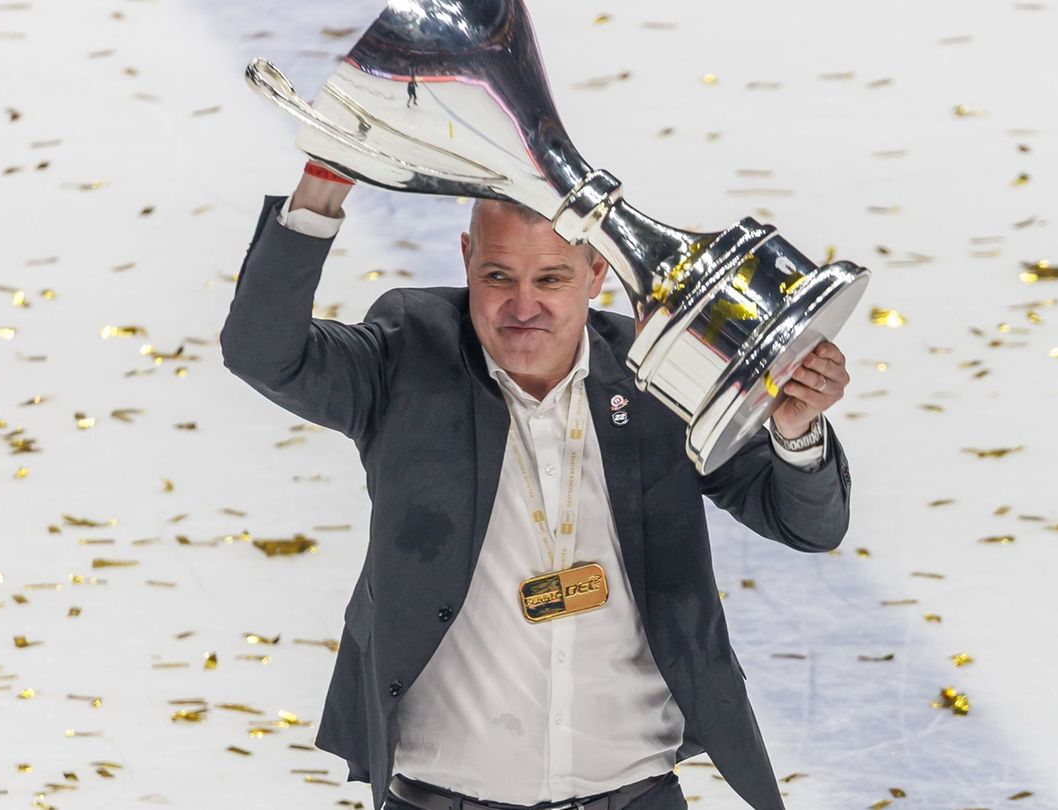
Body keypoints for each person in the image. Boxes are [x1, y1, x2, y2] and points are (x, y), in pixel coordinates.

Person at [219, 159, 853, 810]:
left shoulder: (659, 377)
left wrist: (796, 430)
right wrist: (321, 189)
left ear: (597, 272)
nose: (524, 307)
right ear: (466, 258)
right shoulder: (407, 355)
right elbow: (262, 353)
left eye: (551, 278)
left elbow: (806, 523)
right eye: (499, 276)